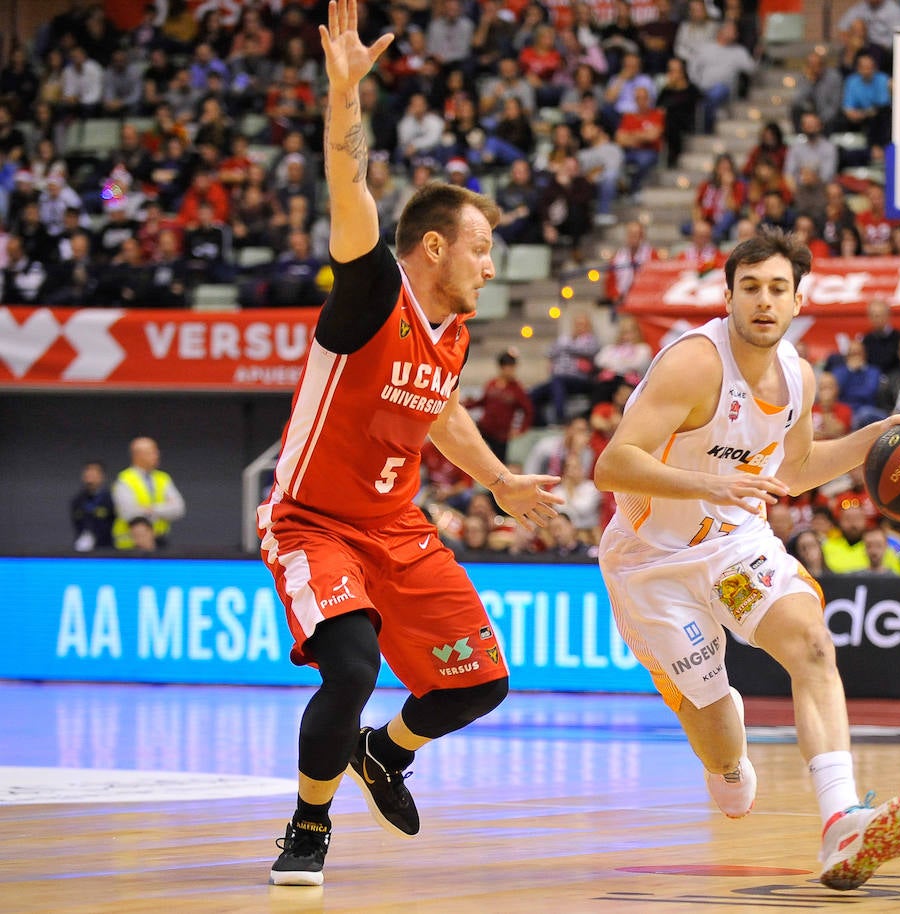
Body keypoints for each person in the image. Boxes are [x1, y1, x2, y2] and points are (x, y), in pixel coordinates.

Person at [258, 1, 564, 887]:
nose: (491, 265)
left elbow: (438, 412)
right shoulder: (370, 294)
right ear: (433, 247)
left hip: (396, 527)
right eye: (481, 249)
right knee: (349, 666)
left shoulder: (453, 335)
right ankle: (307, 828)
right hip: (313, 522)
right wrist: (344, 97)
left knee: (480, 683)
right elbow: (347, 189)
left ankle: (384, 754)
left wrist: (500, 478)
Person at [594, 227, 900, 891]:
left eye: (777, 289)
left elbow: (799, 468)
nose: (763, 301)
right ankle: (723, 760)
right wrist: (707, 483)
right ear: (727, 297)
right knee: (725, 751)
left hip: (734, 546)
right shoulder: (695, 362)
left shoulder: (798, 378)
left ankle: (841, 819)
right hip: (651, 563)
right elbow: (614, 464)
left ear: (797, 302)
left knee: (812, 645)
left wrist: (875, 439)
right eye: (750, 287)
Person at [112, 436, 186, 551]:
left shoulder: (163, 478)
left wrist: (151, 509)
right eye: (152, 452)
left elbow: (178, 509)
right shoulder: (125, 479)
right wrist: (164, 508)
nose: (157, 455)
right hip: (130, 545)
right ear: (138, 455)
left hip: (159, 543)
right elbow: (129, 513)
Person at [71, 460, 115, 552]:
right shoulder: (77, 501)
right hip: (84, 548)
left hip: (107, 547)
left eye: (94, 474)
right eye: (88, 474)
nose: (90, 478)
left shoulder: (111, 499)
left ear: (102, 476)